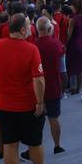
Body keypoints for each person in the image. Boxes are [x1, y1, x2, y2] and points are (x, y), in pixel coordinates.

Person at [0, 14, 51, 164]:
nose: (30, 28)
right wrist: (40, 102)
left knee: (10, 144)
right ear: (22, 29)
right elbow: (39, 80)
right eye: (28, 25)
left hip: (4, 105)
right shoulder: (31, 49)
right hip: (28, 105)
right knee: (34, 143)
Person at [32, 16, 64, 155]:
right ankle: (57, 145)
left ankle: (34, 147)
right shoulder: (55, 44)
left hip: (37, 90)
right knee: (54, 118)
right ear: (49, 28)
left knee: (36, 122)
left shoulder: (34, 46)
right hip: (53, 87)